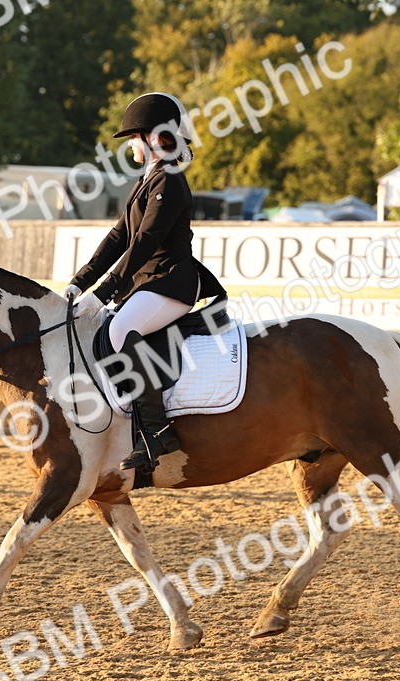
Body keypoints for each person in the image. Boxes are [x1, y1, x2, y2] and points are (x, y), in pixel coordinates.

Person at [66, 92, 226, 472]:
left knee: (120, 329)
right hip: (148, 283)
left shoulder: (170, 181)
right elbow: (118, 236)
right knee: (106, 330)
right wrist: (79, 283)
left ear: (154, 137)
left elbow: (146, 241)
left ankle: (157, 432)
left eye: (135, 137)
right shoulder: (148, 179)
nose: (132, 145)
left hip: (171, 283)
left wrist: (104, 293)